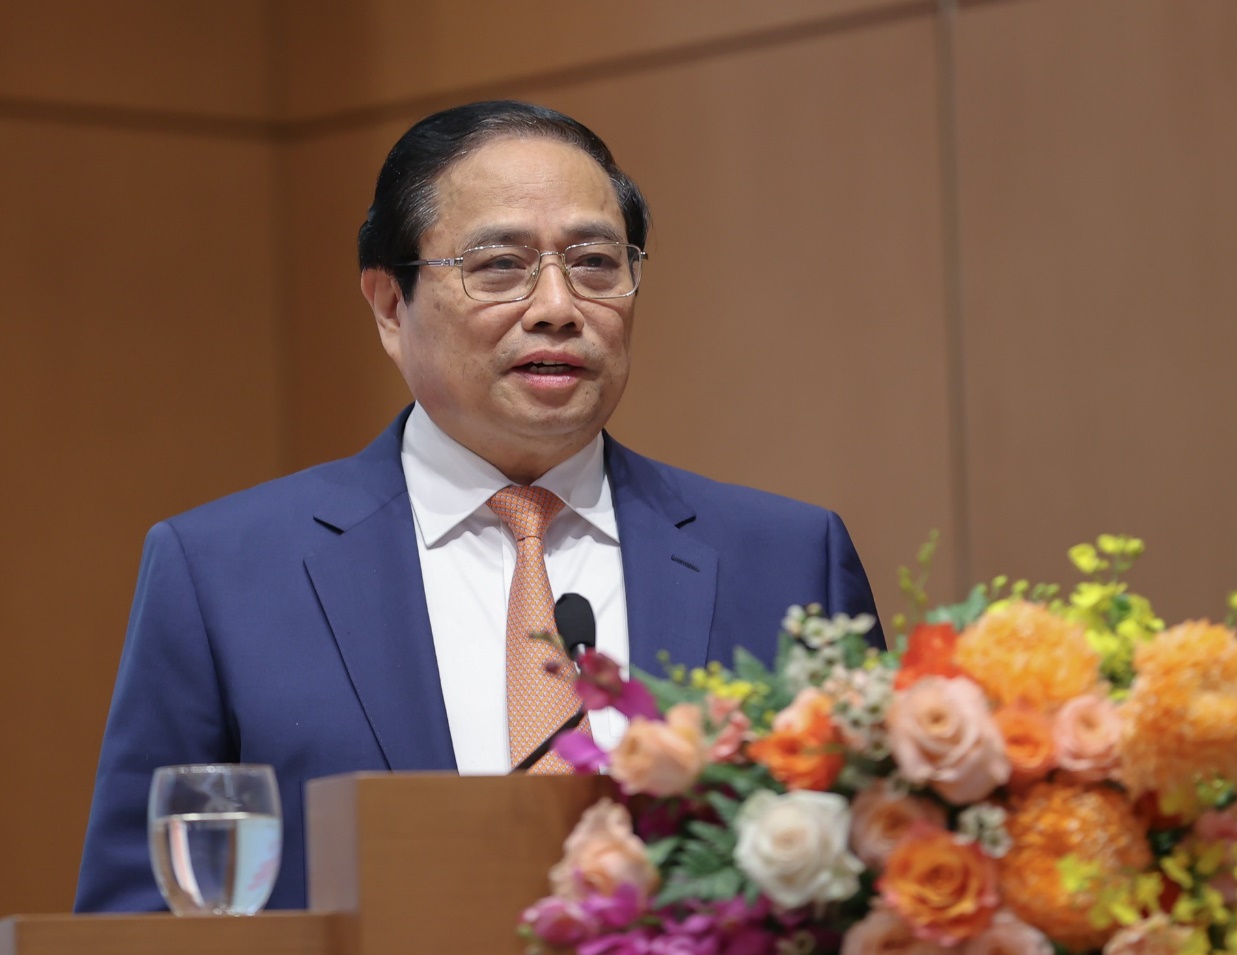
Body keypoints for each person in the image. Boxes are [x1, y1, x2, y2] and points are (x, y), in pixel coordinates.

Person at [75, 100, 881, 913]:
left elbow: (879, 890)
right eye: (499, 265)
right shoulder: (223, 575)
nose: (558, 305)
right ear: (390, 306)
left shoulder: (787, 562)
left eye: (596, 262)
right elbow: (140, 918)